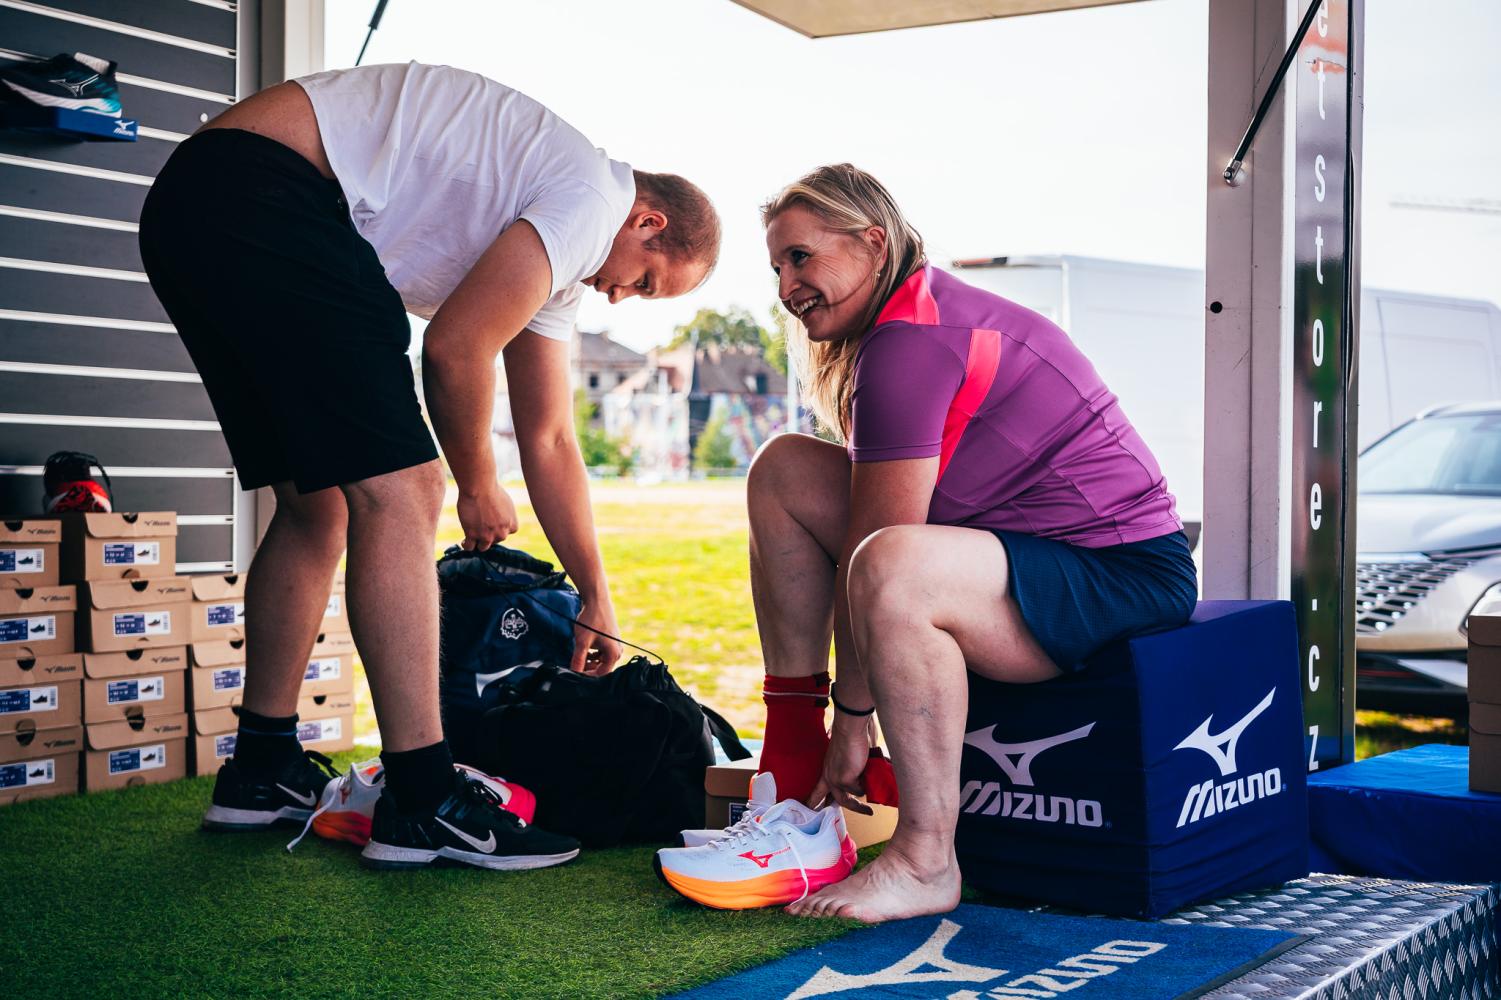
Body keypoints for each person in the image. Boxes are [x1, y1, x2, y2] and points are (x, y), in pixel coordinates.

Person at [137, 62, 720, 872]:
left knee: (320, 504)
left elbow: (550, 437)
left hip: (195, 204)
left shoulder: (556, 248)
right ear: (646, 222)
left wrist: (596, 591)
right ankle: (423, 798)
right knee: (410, 490)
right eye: (645, 282)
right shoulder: (590, 197)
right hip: (265, 187)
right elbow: (454, 348)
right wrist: (476, 483)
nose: (620, 298)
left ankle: (261, 767)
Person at [748, 164, 1195, 921]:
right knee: (783, 470)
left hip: (1121, 574)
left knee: (893, 562)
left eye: (801, 257)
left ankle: (926, 862)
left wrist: (852, 723)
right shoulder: (902, 321)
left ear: (872, 243)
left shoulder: (910, 341)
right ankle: (788, 765)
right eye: (777, 269)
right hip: (1020, 551)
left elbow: (877, 549)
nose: (788, 286)